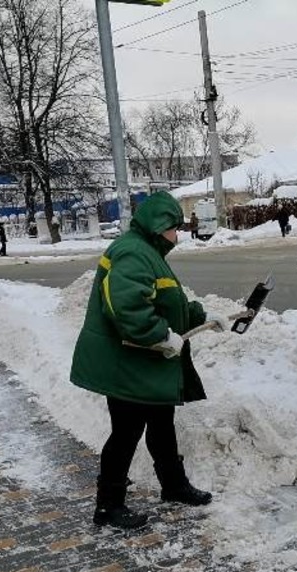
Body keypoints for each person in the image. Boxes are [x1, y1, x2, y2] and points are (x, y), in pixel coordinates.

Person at [70, 190, 227, 529]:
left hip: (142, 363)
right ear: (159, 225)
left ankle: (173, 486)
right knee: (126, 433)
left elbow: (167, 301)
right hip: (127, 364)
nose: (178, 234)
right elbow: (127, 307)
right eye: (175, 227)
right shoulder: (133, 253)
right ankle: (108, 506)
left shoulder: (148, 252)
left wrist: (204, 317)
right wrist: (159, 335)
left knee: (161, 424)